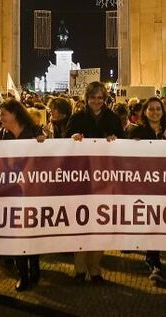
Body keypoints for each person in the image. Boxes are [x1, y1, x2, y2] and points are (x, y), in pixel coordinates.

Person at [65, 81, 123, 283]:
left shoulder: (113, 118)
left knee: (100, 224)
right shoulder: (77, 117)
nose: (96, 101)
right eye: (93, 98)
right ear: (86, 98)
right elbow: (64, 142)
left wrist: (116, 140)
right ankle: (80, 269)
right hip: (81, 177)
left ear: (105, 98)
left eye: (100, 98)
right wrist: (72, 138)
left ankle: (96, 269)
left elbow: (123, 145)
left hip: (105, 178)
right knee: (80, 223)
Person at [0, 99, 46, 290]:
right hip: (10, 191)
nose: (0, 118)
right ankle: (23, 274)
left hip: (33, 189)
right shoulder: (0, 135)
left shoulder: (35, 131)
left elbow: (51, 154)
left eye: (4, 114)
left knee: (32, 229)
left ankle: (35, 267)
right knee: (15, 232)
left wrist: (44, 143)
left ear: (15, 114)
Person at [128, 97, 166, 284]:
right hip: (144, 183)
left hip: (165, 182)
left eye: (158, 109)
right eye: (151, 109)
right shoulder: (137, 131)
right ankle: (155, 261)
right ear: (144, 112)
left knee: (160, 221)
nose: (155, 112)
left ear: (163, 112)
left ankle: (153, 256)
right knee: (151, 219)